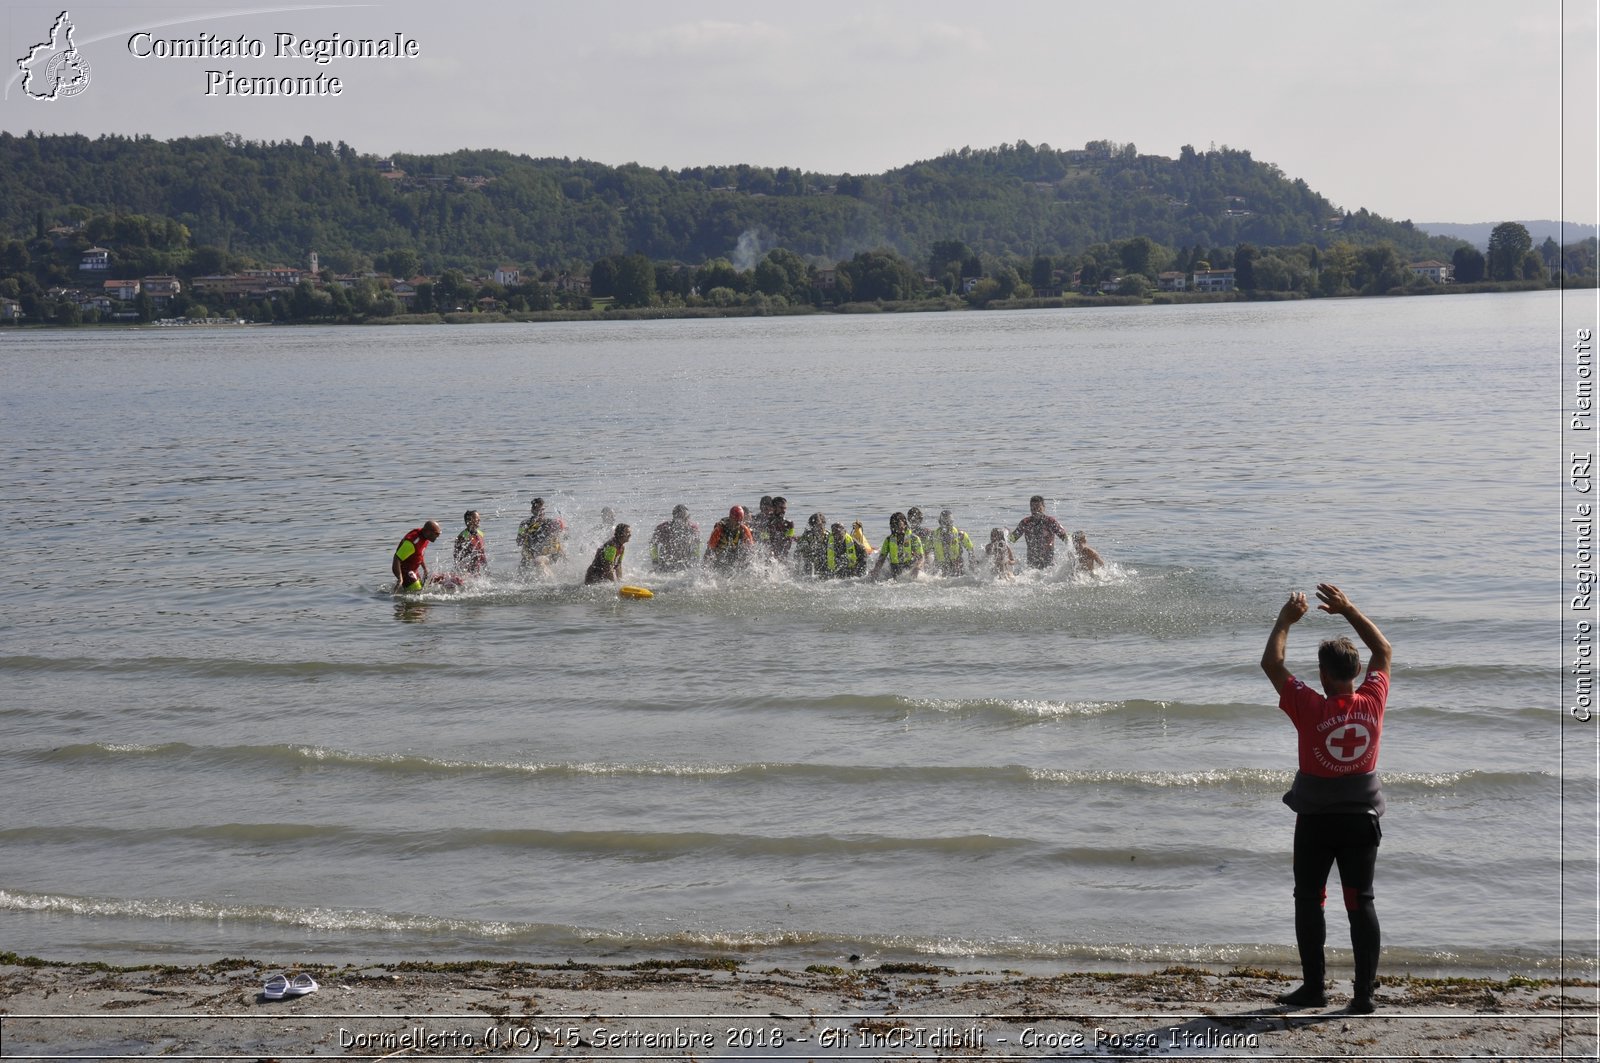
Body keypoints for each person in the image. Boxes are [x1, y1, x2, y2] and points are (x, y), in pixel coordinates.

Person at [1260, 583, 1393, 1015]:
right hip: (1362, 820)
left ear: (1322, 675)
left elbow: (1272, 663)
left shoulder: (1308, 706)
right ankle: (1363, 996)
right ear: (1356, 670)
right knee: (1361, 903)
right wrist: (1349, 608)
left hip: (1316, 821)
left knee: (1309, 899)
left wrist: (1286, 619)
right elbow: (1384, 649)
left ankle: (1315, 988)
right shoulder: (1373, 700)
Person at [1009, 494, 1070, 570]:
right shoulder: (1026, 522)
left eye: (1038, 508)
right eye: (1033, 508)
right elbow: (1012, 539)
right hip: (1031, 562)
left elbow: (1064, 537)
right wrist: (1005, 535)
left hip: (1048, 562)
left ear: (1044, 508)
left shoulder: (1050, 522)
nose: (1036, 511)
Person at [870, 511, 923, 580]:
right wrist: (875, 570)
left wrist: (917, 567)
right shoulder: (888, 540)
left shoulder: (914, 539)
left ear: (905, 524)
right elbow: (881, 559)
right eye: (894, 525)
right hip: (894, 570)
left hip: (910, 569)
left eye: (899, 525)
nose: (897, 528)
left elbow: (921, 558)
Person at [517, 497, 566, 571]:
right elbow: (519, 542)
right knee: (520, 571)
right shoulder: (525, 524)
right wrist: (525, 534)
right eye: (538, 510)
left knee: (539, 561)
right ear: (532, 511)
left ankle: (553, 581)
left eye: (542, 510)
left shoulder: (550, 523)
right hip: (531, 555)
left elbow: (563, 536)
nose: (540, 512)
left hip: (549, 555)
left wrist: (561, 527)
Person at [391, 520, 442, 591]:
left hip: (413, 569)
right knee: (417, 591)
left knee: (423, 588)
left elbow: (419, 554)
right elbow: (397, 558)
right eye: (436, 534)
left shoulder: (425, 538)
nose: (438, 537)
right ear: (428, 532)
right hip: (405, 570)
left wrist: (425, 569)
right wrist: (400, 578)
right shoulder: (412, 542)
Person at [924, 509, 977, 577]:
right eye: (945, 522)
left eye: (949, 522)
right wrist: (927, 567)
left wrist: (972, 564)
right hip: (940, 567)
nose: (947, 524)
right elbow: (925, 552)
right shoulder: (933, 536)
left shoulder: (960, 534)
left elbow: (970, 549)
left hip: (957, 566)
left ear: (952, 522)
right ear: (940, 522)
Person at [649, 505, 701, 571]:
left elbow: (697, 544)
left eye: (687, 517)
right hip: (665, 563)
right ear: (674, 517)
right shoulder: (663, 528)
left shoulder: (692, 528)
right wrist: (655, 561)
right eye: (684, 518)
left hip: (685, 563)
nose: (687, 520)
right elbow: (653, 544)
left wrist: (695, 559)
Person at [704, 505, 755, 571]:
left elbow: (752, 550)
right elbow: (709, 550)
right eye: (736, 520)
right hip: (720, 557)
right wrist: (704, 567)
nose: (738, 523)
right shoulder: (719, 530)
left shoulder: (744, 529)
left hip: (736, 556)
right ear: (730, 518)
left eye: (740, 521)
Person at [753, 495, 795, 561]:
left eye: (785, 508)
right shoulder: (765, 523)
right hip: (767, 555)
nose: (784, 511)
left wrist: (781, 556)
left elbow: (788, 543)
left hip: (782, 555)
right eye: (781, 508)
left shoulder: (789, 524)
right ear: (774, 508)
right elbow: (765, 542)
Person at [452, 511, 488, 576]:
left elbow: (482, 554)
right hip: (466, 574)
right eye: (477, 519)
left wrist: (486, 569)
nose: (479, 520)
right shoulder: (462, 537)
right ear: (470, 521)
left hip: (477, 572)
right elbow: (457, 558)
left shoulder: (480, 533)